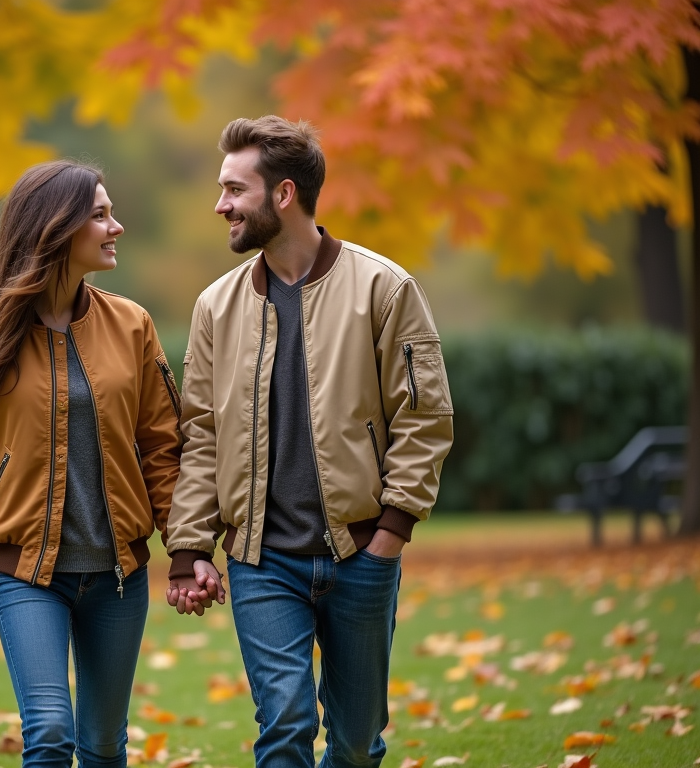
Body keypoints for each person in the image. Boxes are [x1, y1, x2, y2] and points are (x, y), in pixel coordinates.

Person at [165, 116, 454, 768]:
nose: (221, 206)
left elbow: (424, 416)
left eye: (235, 190)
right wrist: (190, 547)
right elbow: (201, 434)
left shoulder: (384, 288)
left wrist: (390, 537)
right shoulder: (216, 306)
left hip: (361, 555)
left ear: (284, 194)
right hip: (261, 561)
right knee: (286, 726)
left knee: (355, 744)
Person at [0, 160, 182, 768]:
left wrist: (186, 551)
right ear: (54, 228)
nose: (116, 227)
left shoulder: (131, 324)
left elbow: (164, 449)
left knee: (103, 747)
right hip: (28, 576)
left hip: (119, 576)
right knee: (50, 734)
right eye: (100, 215)